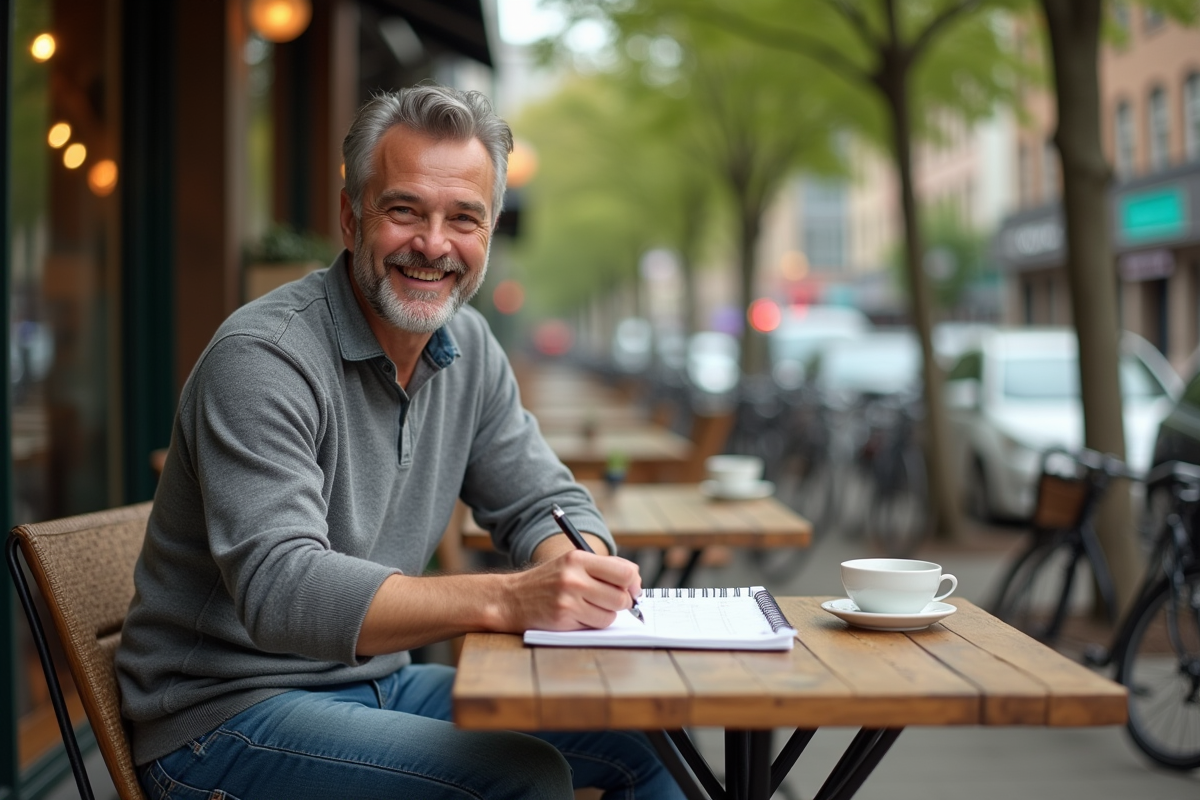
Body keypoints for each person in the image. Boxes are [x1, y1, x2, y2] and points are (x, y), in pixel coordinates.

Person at [115, 84, 685, 800]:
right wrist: (513, 600)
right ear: (352, 218)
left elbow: (543, 498)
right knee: (520, 777)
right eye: (405, 210)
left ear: (490, 232)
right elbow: (281, 589)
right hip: (223, 718)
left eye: (463, 219)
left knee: (645, 737)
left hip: (379, 683)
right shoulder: (264, 357)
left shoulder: (469, 347)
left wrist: (578, 568)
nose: (433, 244)